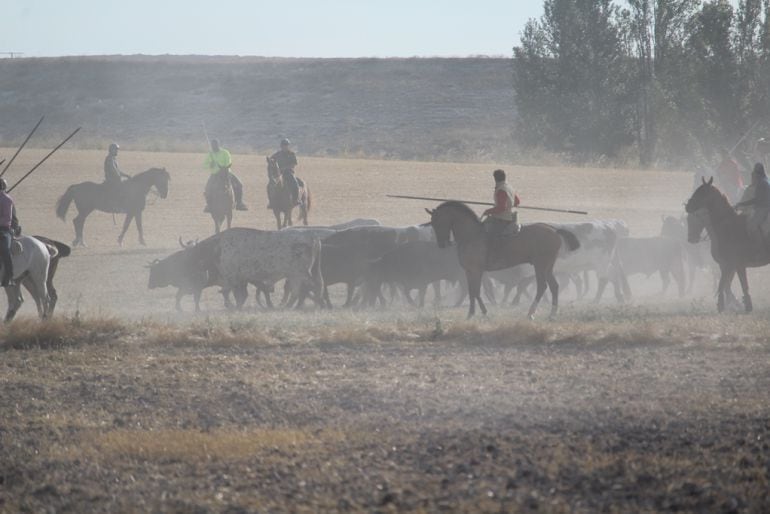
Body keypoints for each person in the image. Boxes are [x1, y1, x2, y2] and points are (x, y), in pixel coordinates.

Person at [204, 139, 247, 212]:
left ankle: (239, 203)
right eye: (213, 146)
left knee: (239, 185)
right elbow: (204, 165)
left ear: (218, 145)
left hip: (226, 173)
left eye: (215, 146)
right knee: (207, 188)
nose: (214, 148)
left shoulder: (225, 153)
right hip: (215, 174)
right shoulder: (210, 154)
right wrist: (210, 165)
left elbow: (228, 163)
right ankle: (209, 205)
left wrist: (221, 168)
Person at [736, 163, 770, 246]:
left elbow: (757, 200)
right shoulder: (764, 181)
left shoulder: (762, 183)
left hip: (763, 208)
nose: (753, 177)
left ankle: (760, 248)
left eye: (754, 174)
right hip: (761, 208)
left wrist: (742, 204)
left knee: (751, 227)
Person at [482, 169, 520, 235]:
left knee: (485, 232)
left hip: (501, 220)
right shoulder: (509, 187)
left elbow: (501, 208)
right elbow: (517, 202)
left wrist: (488, 211)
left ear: (495, 178)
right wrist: (509, 206)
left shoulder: (501, 190)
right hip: (510, 217)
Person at [0, 178, 20, 287]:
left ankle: (9, 276)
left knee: (4, 249)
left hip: (3, 230)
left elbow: (7, 218)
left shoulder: (6, 199)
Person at [269, 138, 300, 208]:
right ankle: (271, 202)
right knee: (270, 186)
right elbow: (271, 159)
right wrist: (270, 160)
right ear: (281, 146)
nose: (285, 147)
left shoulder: (292, 154)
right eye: (283, 145)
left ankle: (296, 200)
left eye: (286, 145)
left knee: (295, 184)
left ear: (288, 146)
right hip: (278, 173)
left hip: (288, 173)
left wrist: (284, 168)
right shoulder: (277, 154)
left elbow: (294, 164)